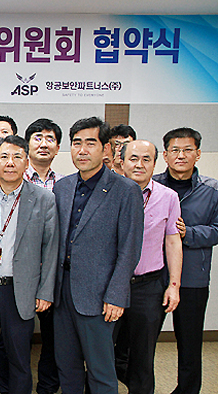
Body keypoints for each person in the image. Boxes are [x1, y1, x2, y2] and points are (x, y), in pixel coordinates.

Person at [52, 117, 143, 394]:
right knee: (66, 367)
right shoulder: (63, 187)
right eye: (76, 143)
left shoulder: (126, 190)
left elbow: (130, 248)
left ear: (106, 149)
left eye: (90, 143)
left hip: (100, 295)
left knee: (101, 372)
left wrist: (116, 295)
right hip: (62, 292)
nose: (82, 150)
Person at [0, 135, 58, 394]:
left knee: (19, 358)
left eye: (17, 157)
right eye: (4, 157)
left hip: (20, 290)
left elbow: (51, 248)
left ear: (27, 163)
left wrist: (45, 292)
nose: (10, 163)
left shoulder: (43, 199)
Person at [153, 127, 218, 394]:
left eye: (187, 150)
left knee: (189, 343)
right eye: (175, 150)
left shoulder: (212, 190)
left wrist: (187, 233)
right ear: (165, 155)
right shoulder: (152, 185)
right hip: (153, 276)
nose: (181, 155)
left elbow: (217, 230)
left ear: (198, 154)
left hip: (193, 277)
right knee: (139, 343)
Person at [116, 139, 182, 394]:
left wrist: (173, 285)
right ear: (121, 162)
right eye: (133, 158)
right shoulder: (107, 194)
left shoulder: (168, 197)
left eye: (147, 159)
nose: (139, 164)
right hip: (112, 286)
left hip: (148, 286)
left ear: (155, 163)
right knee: (102, 353)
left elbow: (173, 242)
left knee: (143, 357)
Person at [21, 118, 64, 394]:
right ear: (27, 145)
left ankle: (47, 385)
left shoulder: (65, 185)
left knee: (53, 334)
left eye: (50, 139)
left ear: (58, 148)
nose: (43, 144)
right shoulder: (13, 179)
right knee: (15, 334)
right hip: (19, 269)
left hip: (52, 269)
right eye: (38, 138)